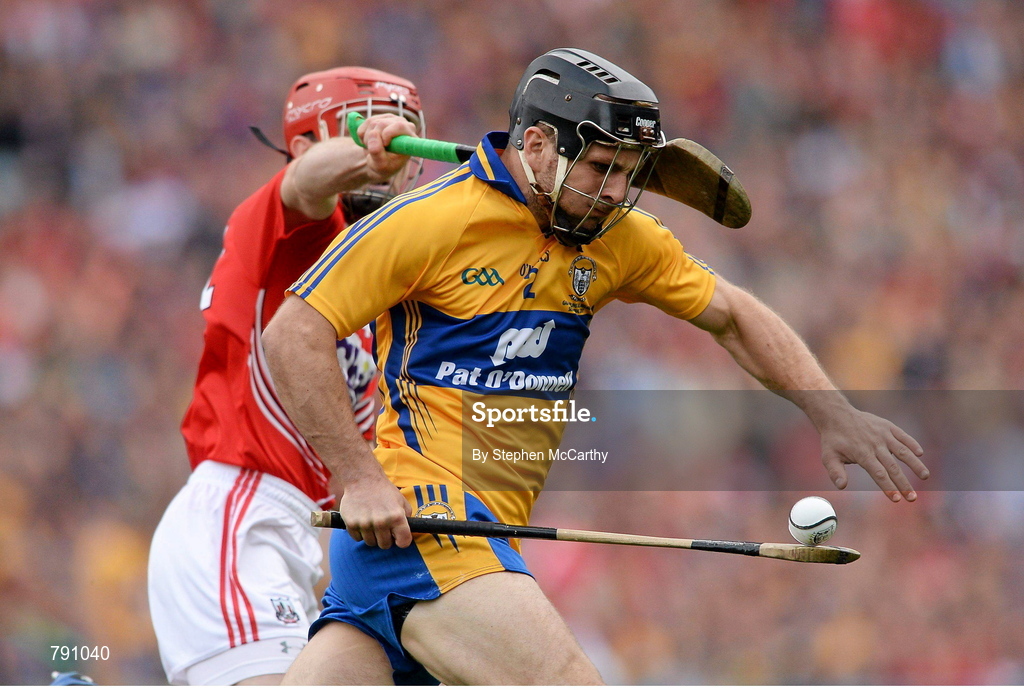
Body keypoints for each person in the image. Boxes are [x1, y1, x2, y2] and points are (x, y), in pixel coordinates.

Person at [262, 48, 930, 685]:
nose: (616, 191)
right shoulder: (430, 222)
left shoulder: (617, 238)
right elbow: (292, 335)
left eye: (629, 170)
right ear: (536, 147)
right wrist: (357, 477)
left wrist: (831, 411)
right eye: (601, 167)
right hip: (424, 521)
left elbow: (731, 313)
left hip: (470, 535)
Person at [147, 67, 425, 686]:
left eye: (410, 136)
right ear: (304, 144)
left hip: (306, 541)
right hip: (240, 520)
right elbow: (305, 183)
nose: (398, 148)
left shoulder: (388, 277)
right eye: (367, 126)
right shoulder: (287, 228)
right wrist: (365, 153)